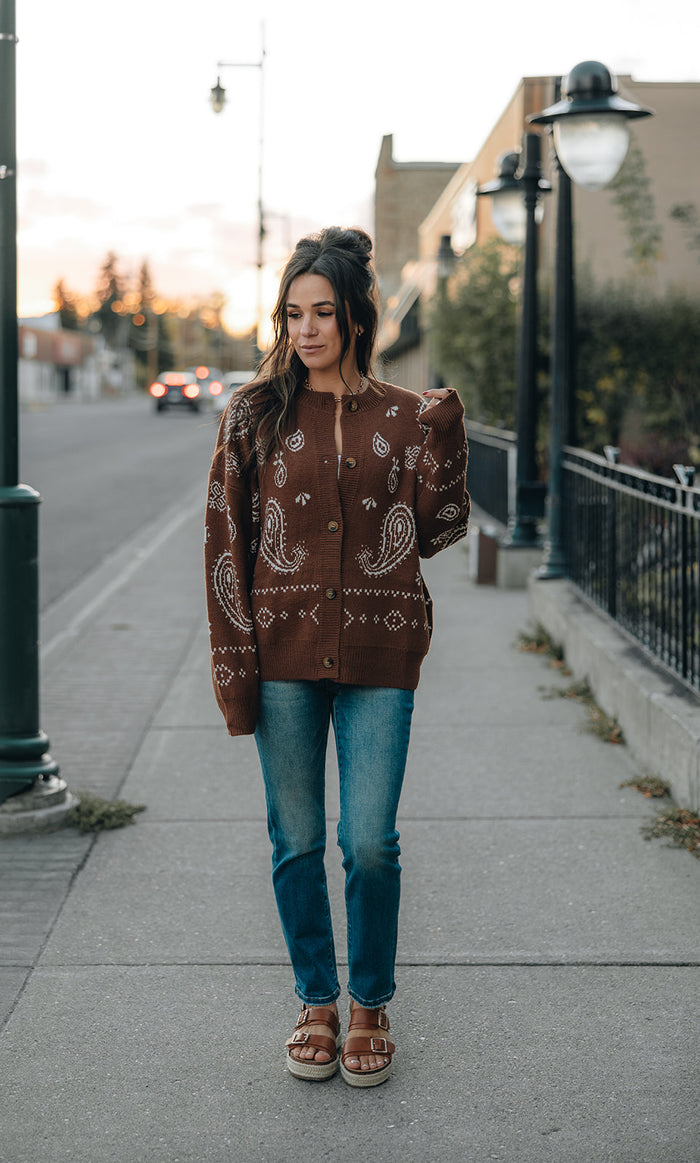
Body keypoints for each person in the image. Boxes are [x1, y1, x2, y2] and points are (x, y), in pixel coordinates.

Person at [205, 226, 470, 1087]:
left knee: (369, 843)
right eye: (292, 314)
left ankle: (369, 1004)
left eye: (323, 312)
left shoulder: (405, 414)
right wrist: (234, 671)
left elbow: (439, 532)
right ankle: (315, 1001)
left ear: (355, 317)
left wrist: (446, 441)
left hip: (380, 654)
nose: (306, 329)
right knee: (296, 840)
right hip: (280, 654)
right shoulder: (254, 415)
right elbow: (225, 546)